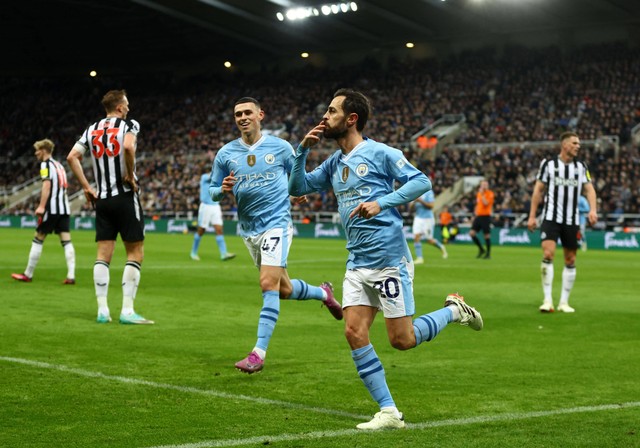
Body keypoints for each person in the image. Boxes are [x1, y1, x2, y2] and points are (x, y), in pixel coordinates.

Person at [289, 88, 483, 430]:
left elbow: (420, 181)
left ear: (351, 119)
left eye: (332, 112)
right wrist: (302, 150)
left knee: (402, 340)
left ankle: (454, 311)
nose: (325, 116)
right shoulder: (334, 162)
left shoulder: (380, 153)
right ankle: (389, 411)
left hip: (389, 259)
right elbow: (299, 187)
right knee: (353, 332)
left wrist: (384, 202)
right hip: (356, 262)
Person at [209, 96, 343, 374]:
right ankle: (323, 293)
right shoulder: (225, 154)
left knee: (267, 282)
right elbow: (212, 191)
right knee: (282, 289)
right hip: (249, 230)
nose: (243, 117)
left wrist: (298, 193)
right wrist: (221, 189)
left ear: (260, 115)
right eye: (238, 114)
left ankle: (257, 353)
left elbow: (297, 178)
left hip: (277, 224)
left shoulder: (280, 147)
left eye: (248, 112)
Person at [67, 89, 153, 325]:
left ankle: (102, 310)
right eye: (126, 105)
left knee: (103, 255)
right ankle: (127, 311)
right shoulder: (128, 125)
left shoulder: (91, 129)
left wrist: (86, 187)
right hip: (125, 197)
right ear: (119, 107)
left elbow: (72, 157)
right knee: (135, 253)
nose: (129, 108)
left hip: (102, 199)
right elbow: (127, 147)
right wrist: (131, 177)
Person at [527, 131, 598, 313]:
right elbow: (538, 191)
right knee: (548, 253)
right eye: (575, 143)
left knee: (570, 258)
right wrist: (532, 216)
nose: (578, 146)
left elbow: (589, 190)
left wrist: (593, 210)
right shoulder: (548, 165)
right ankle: (547, 299)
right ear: (564, 145)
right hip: (551, 217)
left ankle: (564, 302)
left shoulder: (581, 167)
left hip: (571, 219)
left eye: (578, 143)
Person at [12, 139, 76, 284]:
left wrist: (41, 206)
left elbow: (46, 186)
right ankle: (71, 276)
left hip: (51, 209)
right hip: (64, 208)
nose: (35, 153)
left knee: (38, 238)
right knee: (66, 240)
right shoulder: (60, 166)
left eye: (37, 150)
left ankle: (28, 274)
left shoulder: (45, 165)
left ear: (44, 151)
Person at [190, 172, 236, 261]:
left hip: (215, 206)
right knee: (201, 230)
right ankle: (193, 252)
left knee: (219, 229)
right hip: (205, 206)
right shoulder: (204, 177)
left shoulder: (218, 180)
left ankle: (224, 254)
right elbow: (211, 176)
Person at [410, 190, 447, 264]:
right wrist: (414, 202)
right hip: (418, 218)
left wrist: (421, 201)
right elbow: (411, 208)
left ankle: (441, 247)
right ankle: (420, 258)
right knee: (416, 237)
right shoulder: (415, 191)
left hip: (428, 219)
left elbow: (431, 206)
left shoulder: (429, 192)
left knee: (429, 240)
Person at [469, 180, 494, 259]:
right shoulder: (479, 194)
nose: (484, 186)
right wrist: (475, 214)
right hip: (478, 216)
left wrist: (483, 194)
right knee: (472, 233)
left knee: (486, 235)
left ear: (488, 186)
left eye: (485, 185)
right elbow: (478, 204)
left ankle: (488, 254)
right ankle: (481, 249)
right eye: (482, 185)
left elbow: (486, 203)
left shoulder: (490, 194)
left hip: (486, 217)